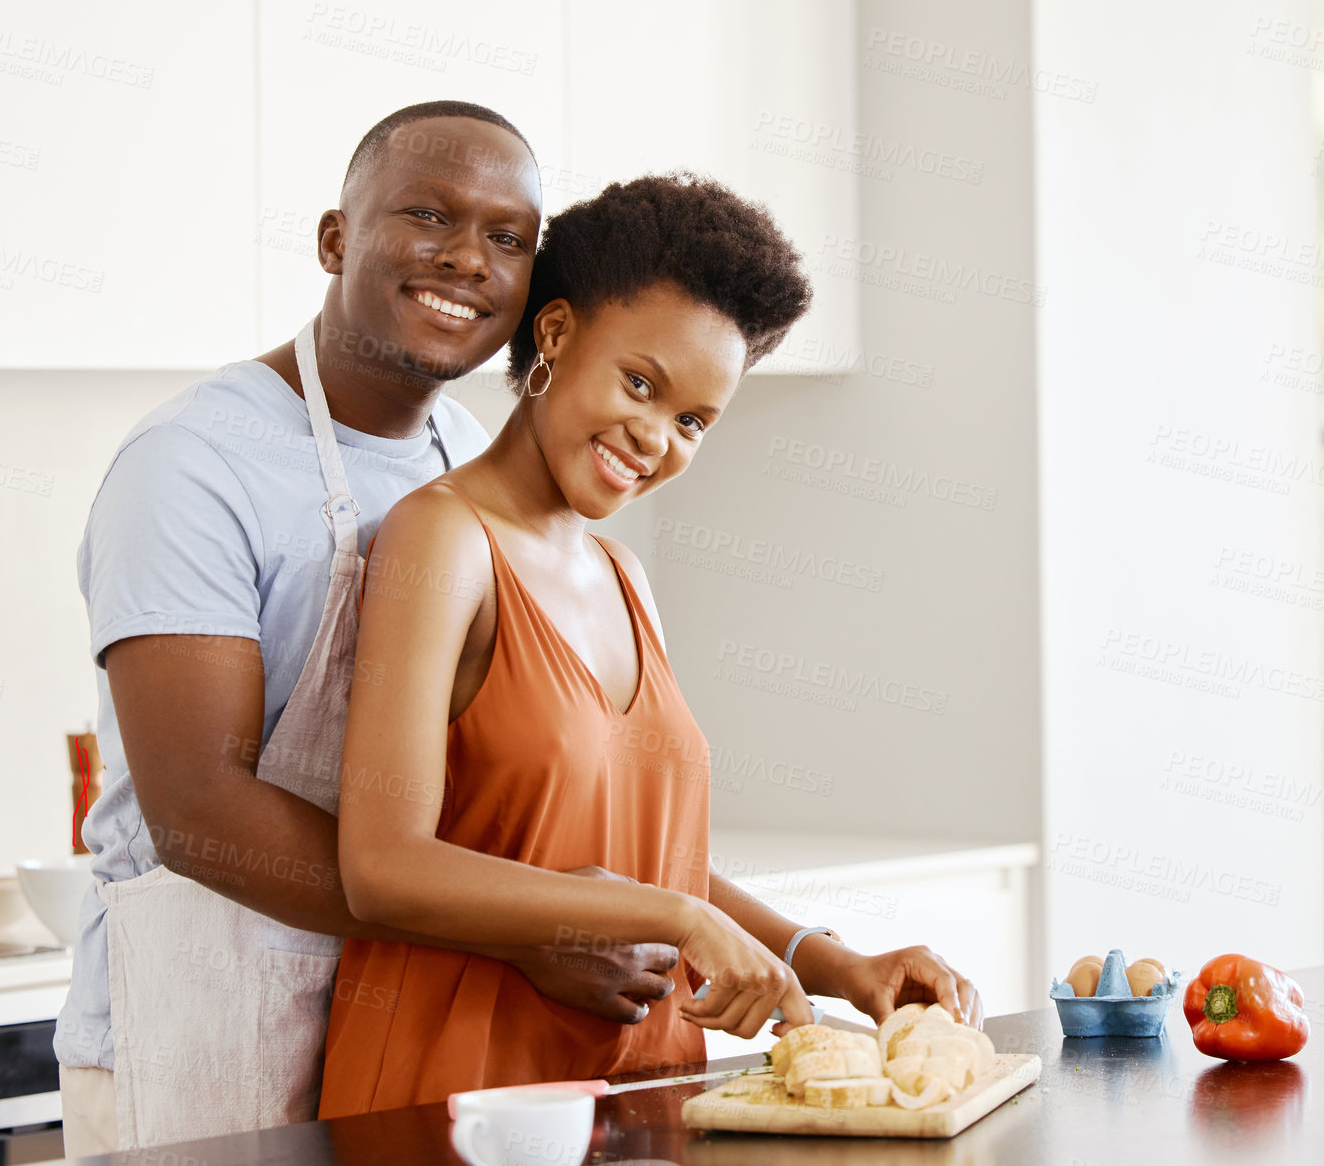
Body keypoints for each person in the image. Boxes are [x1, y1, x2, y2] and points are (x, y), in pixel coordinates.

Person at [57, 102, 683, 1156]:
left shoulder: (467, 452)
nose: (467, 259)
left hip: (396, 1020)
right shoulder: (193, 463)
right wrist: (524, 928)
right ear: (335, 239)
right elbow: (199, 807)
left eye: (506, 238)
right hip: (201, 1030)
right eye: (426, 215)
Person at [318, 173, 983, 1116]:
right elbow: (381, 867)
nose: (654, 438)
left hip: (642, 1092)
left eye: (692, 422)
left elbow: (651, 855)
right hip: (465, 1098)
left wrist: (839, 965)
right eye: (640, 382)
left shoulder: (626, 581)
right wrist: (678, 918)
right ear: (553, 335)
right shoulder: (443, 538)